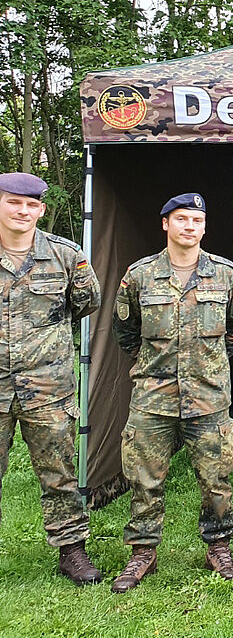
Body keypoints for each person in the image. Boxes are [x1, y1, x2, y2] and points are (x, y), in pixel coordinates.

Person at [111, 192, 233, 592]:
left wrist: (205, 366)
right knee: (143, 477)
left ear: (204, 227)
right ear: (166, 224)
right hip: (153, 398)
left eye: (197, 220)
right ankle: (143, 553)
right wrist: (154, 368)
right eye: (182, 219)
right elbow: (126, 331)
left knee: (216, 477)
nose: (190, 226)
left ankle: (218, 546)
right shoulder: (139, 275)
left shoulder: (225, 274)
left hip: (208, 397)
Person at [0, 172, 102, 585]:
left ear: (41, 209)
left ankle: (71, 551)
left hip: (49, 386)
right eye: (13, 202)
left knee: (59, 471)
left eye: (31, 205)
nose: (23, 211)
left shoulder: (65, 254)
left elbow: (86, 301)